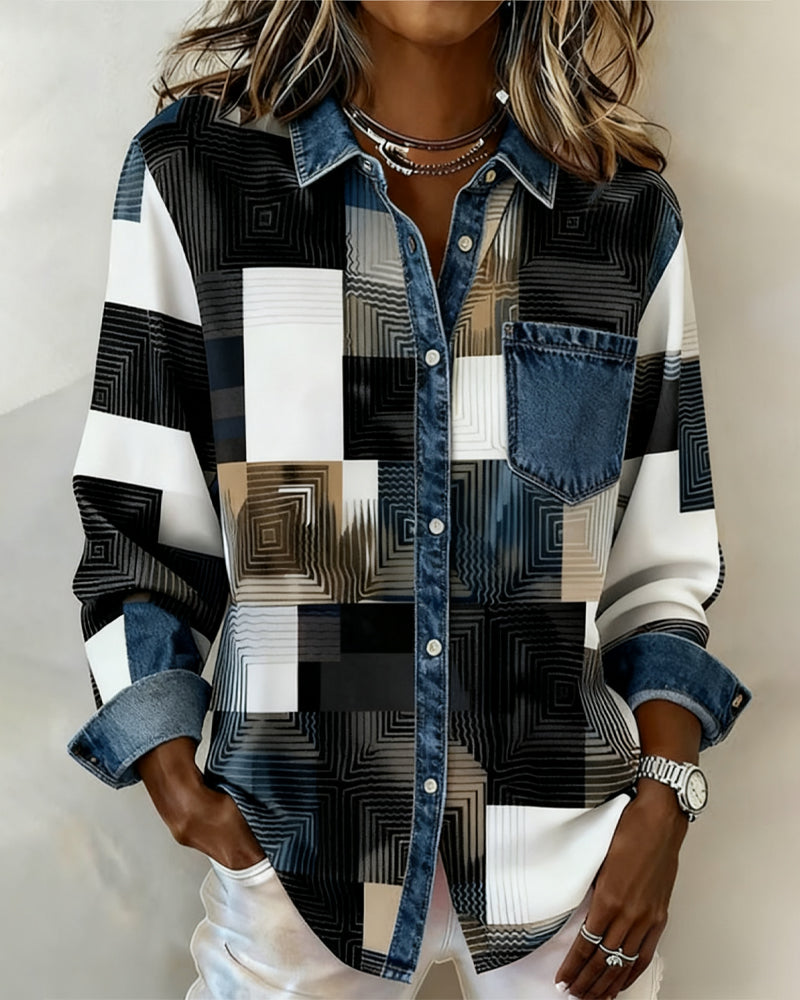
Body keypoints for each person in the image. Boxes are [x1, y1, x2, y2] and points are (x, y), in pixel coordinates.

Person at [65, 2, 752, 998]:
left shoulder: (619, 216)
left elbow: (660, 568)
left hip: (572, 869)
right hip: (295, 856)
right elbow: (139, 526)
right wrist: (179, 786)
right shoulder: (200, 178)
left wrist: (663, 804)